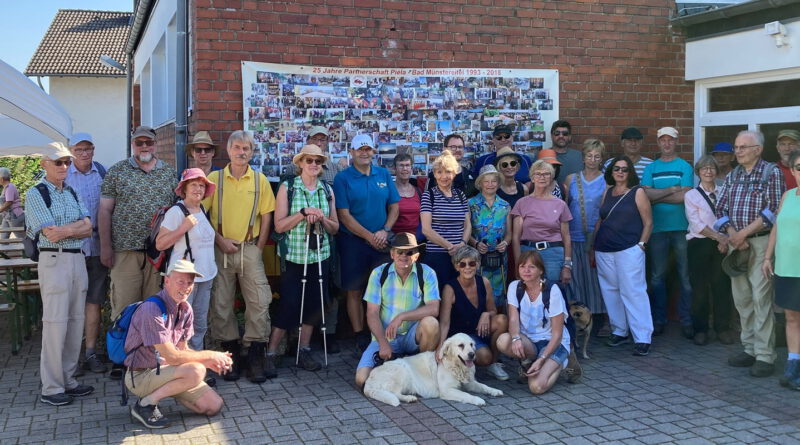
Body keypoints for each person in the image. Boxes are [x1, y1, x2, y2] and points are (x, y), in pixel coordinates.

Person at [99, 126, 177, 378]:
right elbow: (104, 211)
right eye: (139, 142)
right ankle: (121, 359)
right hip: (125, 252)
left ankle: (148, 357)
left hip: (158, 254)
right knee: (123, 306)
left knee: (152, 308)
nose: (144, 147)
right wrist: (105, 246)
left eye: (149, 143)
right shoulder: (118, 171)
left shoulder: (168, 173)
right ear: (133, 144)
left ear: (155, 145)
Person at [203, 130, 276, 384]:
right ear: (229, 149)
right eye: (237, 147)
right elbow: (201, 215)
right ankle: (230, 356)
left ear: (252, 152)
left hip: (249, 249)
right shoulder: (214, 179)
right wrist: (219, 240)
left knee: (258, 302)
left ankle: (255, 354)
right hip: (220, 250)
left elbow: (267, 216)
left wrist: (259, 245)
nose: (241, 152)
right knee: (221, 305)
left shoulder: (259, 180)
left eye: (246, 148)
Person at [124, 259, 232, 429]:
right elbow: (173, 357)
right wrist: (211, 355)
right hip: (140, 376)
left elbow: (183, 351)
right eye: (180, 281)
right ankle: (145, 404)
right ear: (166, 281)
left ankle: (166, 390)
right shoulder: (151, 309)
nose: (186, 287)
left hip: (166, 371)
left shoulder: (186, 309)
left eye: (190, 282)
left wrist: (208, 362)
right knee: (196, 370)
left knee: (213, 405)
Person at [26, 142, 93, 406]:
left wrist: (69, 229)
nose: (64, 166)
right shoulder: (35, 193)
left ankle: (68, 380)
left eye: (66, 161)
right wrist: (75, 228)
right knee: (55, 324)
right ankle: (52, 388)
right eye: (58, 162)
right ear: (44, 164)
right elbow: (50, 233)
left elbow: (90, 228)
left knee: (76, 321)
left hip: (77, 259)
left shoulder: (72, 192)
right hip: (53, 260)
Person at [714, 130, 785, 377]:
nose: (738, 151)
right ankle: (750, 348)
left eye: (743, 147)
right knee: (742, 299)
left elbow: (774, 209)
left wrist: (742, 234)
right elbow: (719, 207)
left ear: (758, 149)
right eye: (736, 147)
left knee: (761, 298)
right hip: (737, 243)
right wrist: (734, 235)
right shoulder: (733, 175)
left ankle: (765, 355)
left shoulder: (771, 172)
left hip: (760, 243)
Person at [268, 144, 339, 372]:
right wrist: (302, 214)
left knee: (314, 305)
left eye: (318, 161)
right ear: (300, 163)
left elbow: (335, 227)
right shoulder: (288, 187)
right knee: (288, 305)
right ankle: (271, 352)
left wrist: (321, 218)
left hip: (319, 255)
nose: (314, 165)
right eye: (309, 161)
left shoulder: (326, 190)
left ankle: (304, 349)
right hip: (294, 257)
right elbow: (279, 225)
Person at [334, 133, 400, 353]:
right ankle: (360, 334)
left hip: (382, 240)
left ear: (373, 152)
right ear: (351, 152)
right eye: (359, 149)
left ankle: (381, 332)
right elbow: (343, 215)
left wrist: (385, 230)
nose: (364, 152)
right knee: (354, 289)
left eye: (368, 149)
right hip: (353, 241)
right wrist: (369, 237)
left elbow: (394, 207)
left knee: (382, 289)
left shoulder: (383, 173)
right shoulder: (343, 178)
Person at [354, 233, 440, 389]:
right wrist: (383, 343)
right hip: (386, 336)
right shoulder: (379, 273)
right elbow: (372, 313)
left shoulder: (427, 273)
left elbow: (434, 308)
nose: (404, 256)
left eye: (409, 252)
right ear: (392, 254)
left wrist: (402, 316)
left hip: (412, 336)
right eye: (399, 251)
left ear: (417, 255)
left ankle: (422, 371)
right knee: (361, 380)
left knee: (431, 323)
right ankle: (399, 367)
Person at [593, 156, 654, 356]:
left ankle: (642, 338)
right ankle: (619, 331)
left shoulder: (638, 193)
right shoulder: (607, 192)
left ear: (630, 173)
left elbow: (648, 222)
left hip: (629, 249)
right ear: (611, 171)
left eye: (624, 169)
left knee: (633, 292)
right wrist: (592, 246)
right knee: (611, 291)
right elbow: (600, 220)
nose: (620, 172)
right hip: (604, 249)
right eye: (617, 168)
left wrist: (641, 246)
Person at [155, 168, 218, 351]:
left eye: (201, 185)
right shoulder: (177, 211)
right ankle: (181, 368)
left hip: (206, 276)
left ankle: (196, 364)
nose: (198, 189)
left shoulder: (202, 209)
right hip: (184, 279)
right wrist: (183, 228)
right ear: (184, 188)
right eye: (193, 185)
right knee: (180, 326)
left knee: (199, 325)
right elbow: (160, 244)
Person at [641, 127, 694, 337]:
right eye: (662, 140)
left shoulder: (685, 166)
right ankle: (660, 319)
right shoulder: (651, 168)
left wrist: (658, 195)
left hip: (681, 228)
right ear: (658, 142)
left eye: (670, 140)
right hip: (657, 229)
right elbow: (645, 195)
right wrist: (672, 189)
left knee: (685, 276)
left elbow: (686, 196)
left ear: (676, 141)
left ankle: (687, 320)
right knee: (656, 277)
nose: (666, 143)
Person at [496, 250, 571, 394]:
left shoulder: (552, 290)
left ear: (541, 270)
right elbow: (513, 318)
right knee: (503, 340)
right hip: (530, 341)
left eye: (532, 267)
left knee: (536, 387)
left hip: (553, 343)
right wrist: (516, 338)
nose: (526, 271)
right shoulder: (515, 286)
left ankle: (562, 363)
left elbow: (557, 334)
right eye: (522, 266)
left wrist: (541, 359)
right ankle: (530, 363)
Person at [66, 132, 109, 374]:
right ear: (71, 151)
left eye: (87, 149)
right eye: (78, 149)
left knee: (94, 301)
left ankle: (91, 352)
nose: (83, 153)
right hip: (71, 248)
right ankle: (72, 356)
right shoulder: (62, 174)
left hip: (96, 247)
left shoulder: (102, 173)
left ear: (93, 149)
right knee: (71, 302)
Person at [684, 156, 735, 346]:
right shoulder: (691, 195)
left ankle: (722, 328)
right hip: (700, 244)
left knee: (722, 286)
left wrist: (725, 240)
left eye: (712, 168)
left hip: (722, 243)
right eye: (704, 168)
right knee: (699, 288)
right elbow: (696, 224)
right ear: (698, 172)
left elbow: (729, 216)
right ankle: (701, 329)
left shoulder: (724, 191)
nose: (708, 171)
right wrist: (719, 237)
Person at [437, 246, 509, 380]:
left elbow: (492, 309)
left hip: (481, 330)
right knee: (484, 357)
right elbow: (445, 322)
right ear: (456, 267)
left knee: (502, 320)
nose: (467, 267)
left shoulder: (484, 282)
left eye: (472, 263)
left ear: (478, 264)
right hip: (461, 335)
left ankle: (494, 363)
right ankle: (468, 363)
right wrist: (441, 348)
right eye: (462, 264)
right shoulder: (450, 288)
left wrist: (486, 314)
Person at [763, 150, 800, 388]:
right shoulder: (788, 195)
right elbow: (777, 227)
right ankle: (792, 364)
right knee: (791, 317)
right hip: (786, 267)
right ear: (793, 169)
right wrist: (767, 257)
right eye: (798, 166)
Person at [563, 139, 607, 335]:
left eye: (597, 156)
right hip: (573, 234)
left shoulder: (607, 180)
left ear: (601, 159)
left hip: (596, 236)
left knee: (596, 279)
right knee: (576, 279)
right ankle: (580, 319)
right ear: (583, 157)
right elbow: (565, 206)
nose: (592, 159)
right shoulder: (572, 179)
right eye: (589, 155)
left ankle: (599, 319)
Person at [511, 160, 573, 284]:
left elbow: (566, 237)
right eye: (538, 174)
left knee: (552, 293)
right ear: (532, 178)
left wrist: (567, 265)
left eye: (546, 174)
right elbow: (516, 237)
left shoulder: (560, 204)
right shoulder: (522, 203)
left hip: (553, 255)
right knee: (529, 292)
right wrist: (519, 264)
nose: (542, 177)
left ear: (551, 177)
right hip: (528, 253)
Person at [420, 150, 471, 288]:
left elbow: (468, 225)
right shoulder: (428, 196)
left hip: (460, 258)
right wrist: (449, 247)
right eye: (439, 172)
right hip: (437, 257)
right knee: (439, 297)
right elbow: (426, 229)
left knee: (458, 298)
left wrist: (462, 244)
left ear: (454, 174)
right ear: (434, 174)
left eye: (448, 172)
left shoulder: (461, 195)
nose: (444, 176)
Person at [468, 165, 511, 310]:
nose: (490, 184)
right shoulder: (470, 204)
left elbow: (510, 233)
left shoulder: (505, 206)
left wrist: (505, 243)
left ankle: (498, 325)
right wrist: (475, 243)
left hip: (499, 259)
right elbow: (465, 231)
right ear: (480, 184)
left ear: (498, 184)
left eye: (494, 181)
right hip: (477, 258)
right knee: (477, 291)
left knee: (499, 296)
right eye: (486, 181)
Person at [392, 153, 421, 234]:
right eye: (401, 165)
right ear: (395, 169)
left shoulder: (418, 191)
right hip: (393, 240)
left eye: (407, 165)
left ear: (411, 168)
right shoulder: (388, 190)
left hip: (415, 241)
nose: (405, 168)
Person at [0, 167, 24, 239]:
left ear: (2, 178)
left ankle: (30, 250)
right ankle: (3, 250)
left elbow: (9, 202)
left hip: (14, 216)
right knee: (3, 237)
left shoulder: (10, 187)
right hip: (7, 216)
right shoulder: (6, 187)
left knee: (21, 237)